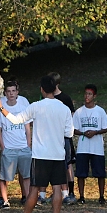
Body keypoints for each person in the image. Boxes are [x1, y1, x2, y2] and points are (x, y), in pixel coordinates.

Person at [0, 75, 74, 213]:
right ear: (55, 88)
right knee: (56, 188)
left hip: (41, 155)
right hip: (58, 154)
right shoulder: (64, 108)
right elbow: (69, 133)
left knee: (34, 188)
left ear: (41, 89)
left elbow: (15, 120)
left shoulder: (36, 106)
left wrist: (1, 107)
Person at [0, 78, 32, 209]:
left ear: (17, 92)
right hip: (9, 147)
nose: (11, 94)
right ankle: (4, 200)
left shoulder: (24, 102)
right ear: (5, 93)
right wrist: (3, 146)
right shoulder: (0, 105)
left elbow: (27, 125)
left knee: (26, 175)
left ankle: (27, 197)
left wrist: (29, 143)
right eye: (8, 91)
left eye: (13, 91)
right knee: (5, 176)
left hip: (23, 146)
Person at [72, 84, 107, 204]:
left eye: (89, 94)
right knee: (81, 173)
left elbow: (105, 128)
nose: (86, 96)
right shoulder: (79, 112)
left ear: (94, 96)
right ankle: (82, 196)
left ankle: (101, 196)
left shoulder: (100, 111)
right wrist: (83, 133)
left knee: (100, 173)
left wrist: (96, 132)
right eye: (85, 94)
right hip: (83, 147)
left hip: (97, 147)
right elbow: (73, 129)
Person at [48, 72, 77, 205]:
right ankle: (56, 191)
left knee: (67, 164)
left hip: (64, 137)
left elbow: (71, 117)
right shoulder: (47, 99)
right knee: (54, 164)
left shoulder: (65, 98)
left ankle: (70, 192)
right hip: (52, 137)